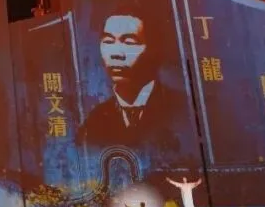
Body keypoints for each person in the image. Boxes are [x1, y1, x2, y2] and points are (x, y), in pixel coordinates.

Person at [76, 13, 188, 156]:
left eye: (129, 42)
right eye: (108, 41)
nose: (116, 53)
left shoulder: (183, 109)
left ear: (154, 50)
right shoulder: (93, 122)